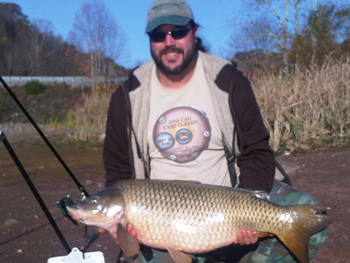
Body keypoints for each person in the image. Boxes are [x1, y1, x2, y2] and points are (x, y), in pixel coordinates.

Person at [101, 0, 329, 262]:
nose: (169, 42)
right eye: (158, 35)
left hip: (228, 198)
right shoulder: (127, 95)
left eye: (178, 32)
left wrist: (247, 205)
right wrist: (120, 224)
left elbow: (256, 151)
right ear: (150, 39)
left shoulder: (228, 80)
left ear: (194, 33)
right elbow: (118, 171)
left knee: (310, 218)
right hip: (158, 214)